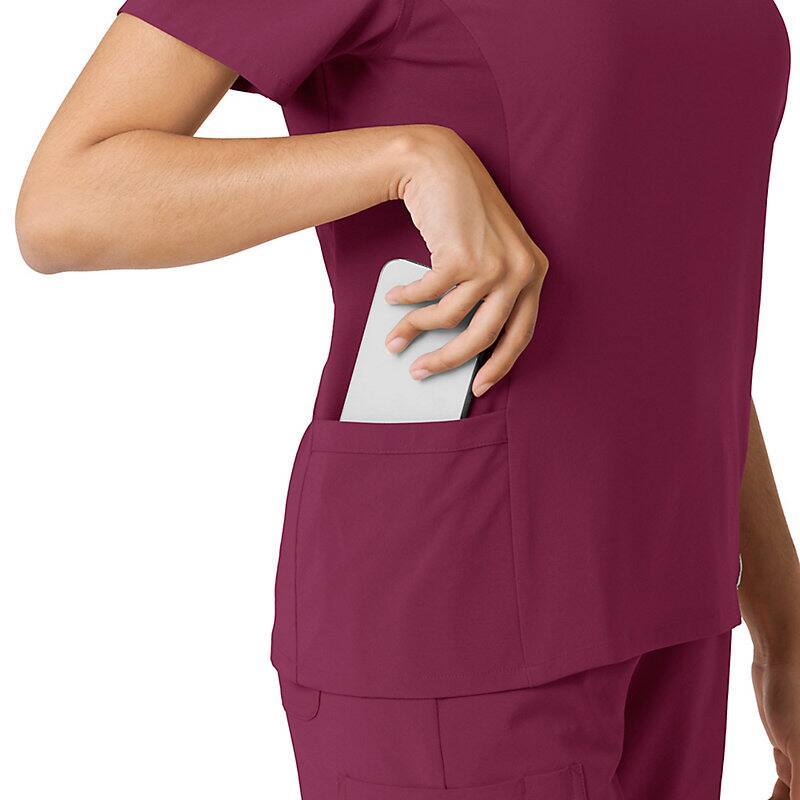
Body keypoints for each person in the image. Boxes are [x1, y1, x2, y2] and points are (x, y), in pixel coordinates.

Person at [15, 2, 798, 799]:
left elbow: (680, 322)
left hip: (680, 601)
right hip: (465, 604)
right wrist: (406, 158)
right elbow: (65, 200)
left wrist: (784, 618)